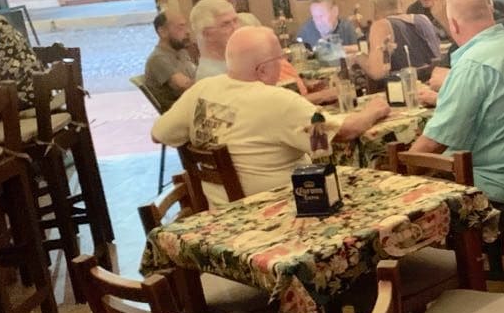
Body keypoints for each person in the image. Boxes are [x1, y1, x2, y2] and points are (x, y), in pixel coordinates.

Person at [152, 26, 390, 204]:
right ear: (263, 69)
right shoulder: (278, 102)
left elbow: (158, 134)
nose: (284, 63)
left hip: (222, 216)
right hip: (281, 209)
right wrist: (373, 111)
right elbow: (341, 134)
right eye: (281, 58)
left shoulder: (202, 89)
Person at [409, 0, 504, 204]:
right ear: (490, 12)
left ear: (453, 25)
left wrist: (395, 171)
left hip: (498, 179)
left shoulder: (472, 65)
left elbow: (434, 144)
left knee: (411, 185)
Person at [358, 0, 441, 82]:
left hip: (401, 91)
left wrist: (358, 57)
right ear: (399, 0)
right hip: (432, 87)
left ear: (374, 6)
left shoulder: (381, 26)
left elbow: (377, 72)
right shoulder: (423, 19)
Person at [144, 9, 196, 110]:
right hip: (180, 113)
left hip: (193, 105)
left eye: (186, 26)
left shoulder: (181, 51)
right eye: (181, 27)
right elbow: (184, 86)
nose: (188, 31)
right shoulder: (158, 59)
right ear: (162, 32)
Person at [188, 0, 242, 80]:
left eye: (235, 20)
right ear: (207, 34)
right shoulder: (210, 76)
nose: (235, 28)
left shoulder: (236, 61)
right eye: (226, 24)